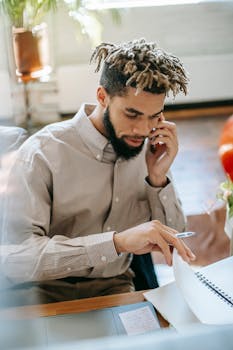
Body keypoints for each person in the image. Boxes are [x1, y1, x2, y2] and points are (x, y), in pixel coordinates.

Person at [0, 38, 195, 306]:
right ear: (102, 96)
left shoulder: (149, 150)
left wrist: (158, 179)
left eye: (154, 116)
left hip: (116, 287)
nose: (142, 129)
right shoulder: (43, 153)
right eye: (132, 114)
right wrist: (115, 244)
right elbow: (14, 258)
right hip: (40, 292)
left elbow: (175, 240)